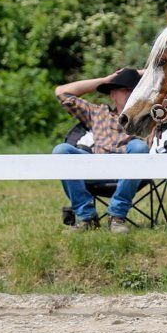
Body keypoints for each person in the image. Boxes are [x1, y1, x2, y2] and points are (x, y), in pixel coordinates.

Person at [53, 68, 149, 233]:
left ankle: (117, 216)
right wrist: (105, 80)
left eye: (133, 90)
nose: (130, 93)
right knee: (61, 151)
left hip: (128, 169)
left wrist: (137, 73)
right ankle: (86, 217)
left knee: (139, 147)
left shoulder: (147, 115)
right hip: (96, 166)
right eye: (124, 89)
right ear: (112, 94)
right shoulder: (97, 112)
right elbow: (61, 92)